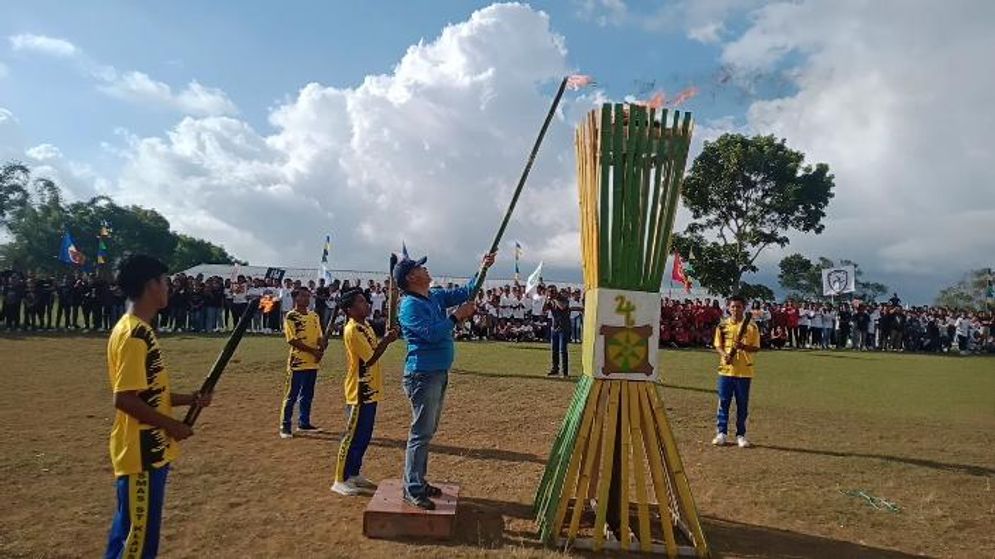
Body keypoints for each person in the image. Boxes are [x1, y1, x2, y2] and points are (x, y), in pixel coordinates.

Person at [104, 254, 212, 559]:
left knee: (129, 534)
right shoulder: (133, 334)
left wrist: (191, 399)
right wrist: (173, 425)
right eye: (165, 282)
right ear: (151, 285)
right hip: (142, 454)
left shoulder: (142, 330)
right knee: (137, 542)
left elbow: (150, 393)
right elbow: (124, 398)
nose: (169, 288)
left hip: (150, 450)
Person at [394, 250, 496, 510]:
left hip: (437, 373)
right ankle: (413, 488)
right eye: (421, 267)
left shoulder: (434, 296)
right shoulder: (409, 306)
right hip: (422, 375)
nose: (427, 269)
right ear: (412, 277)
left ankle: (418, 480)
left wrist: (482, 267)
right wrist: (456, 316)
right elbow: (431, 334)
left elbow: (468, 290)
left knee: (426, 432)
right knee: (420, 433)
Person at [331, 288, 399, 496]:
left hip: (371, 389)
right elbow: (369, 359)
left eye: (365, 301)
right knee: (351, 436)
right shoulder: (352, 330)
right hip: (359, 390)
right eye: (361, 302)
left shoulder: (365, 325)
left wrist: (388, 336)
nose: (367, 304)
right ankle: (339, 479)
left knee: (364, 435)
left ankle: (354, 472)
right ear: (349, 309)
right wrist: (386, 341)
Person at [711, 295, 761, 448]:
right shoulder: (722, 326)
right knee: (724, 402)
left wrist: (743, 347)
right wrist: (724, 354)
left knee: (742, 404)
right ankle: (721, 433)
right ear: (728, 308)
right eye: (733, 306)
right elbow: (718, 345)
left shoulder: (751, 327)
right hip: (726, 370)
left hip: (744, 371)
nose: (735, 309)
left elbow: (756, 347)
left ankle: (741, 434)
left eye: (738, 306)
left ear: (744, 308)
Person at [279, 287, 324, 438]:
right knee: (291, 395)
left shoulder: (314, 316)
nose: (307, 299)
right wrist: (313, 351)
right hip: (298, 362)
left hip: (313, 362)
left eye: (308, 296)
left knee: (307, 395)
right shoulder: (291, 316)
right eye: (303, 296)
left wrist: (322, 345)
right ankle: (285, 425)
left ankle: (303, 423)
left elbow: (319, 336)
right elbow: (292, 340)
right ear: (296, 298)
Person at [545, 287, 573, 377]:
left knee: (563, 350)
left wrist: (555, 298)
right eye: (549, 292)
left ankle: (565, 372)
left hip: (564, 328)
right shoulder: (550, 300)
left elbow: (562, 307)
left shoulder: (563, 299)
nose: (551, 293)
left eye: (552, 292)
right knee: (554, 350)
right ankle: (555, 369)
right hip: (555, 327)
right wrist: (547, 300)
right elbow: (544, 309)